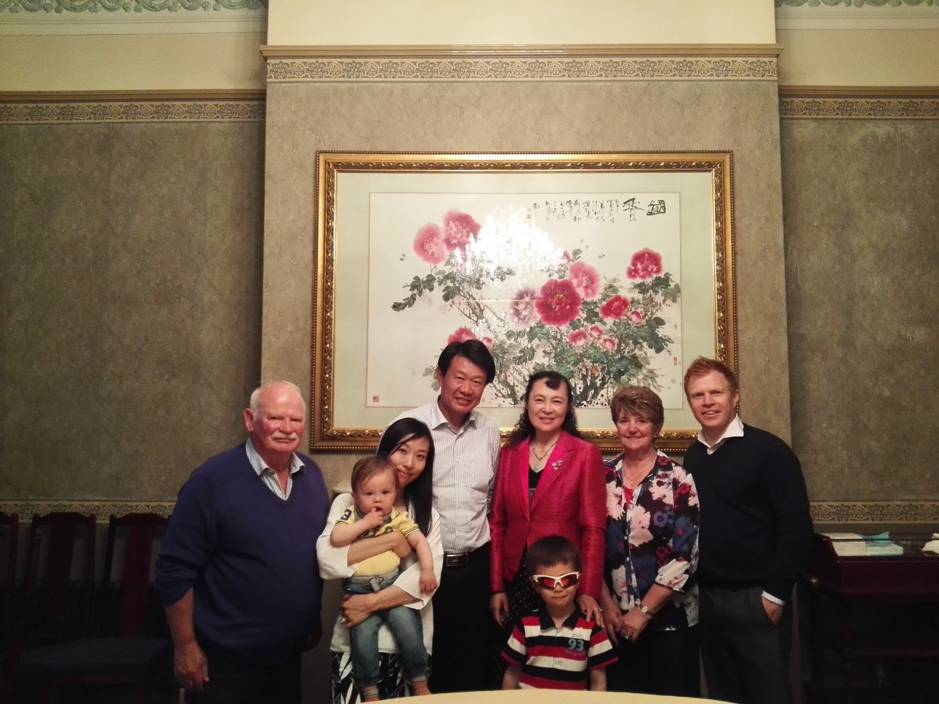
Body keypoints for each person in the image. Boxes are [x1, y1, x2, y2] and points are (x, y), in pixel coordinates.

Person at [156, 381, 329, 704]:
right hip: (226, 663)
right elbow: (174, 569)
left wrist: (313, 614)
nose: (287, 429)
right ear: (250, 420)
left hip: (287, 657)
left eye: (296, 420)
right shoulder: (212, 481)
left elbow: (310, 557)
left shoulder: (312, 477)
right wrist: (186, 647)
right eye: (276, 418)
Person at [682, 357, 813, 704]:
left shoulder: (769, 451)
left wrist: (775, 595)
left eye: (716, 392)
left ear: (735, 397)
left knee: (768, 694)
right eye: (698, 395)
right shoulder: (694, 456)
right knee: (723, 695)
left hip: (757, 598)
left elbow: (796, 525)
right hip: (709, 598)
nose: (707, 402)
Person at [392, 339, 501, 692]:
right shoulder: (409, 427)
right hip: (421, 567)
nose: (466, 389)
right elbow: (384, 496)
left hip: (474, 570)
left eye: (477, 382)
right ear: (440, 376)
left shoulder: (489, 432)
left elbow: (490, 500)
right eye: (459, 377)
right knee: (421, 664)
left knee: (471, 668)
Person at [318, 418, 443, 704]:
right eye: (402, 450)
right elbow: (326, 561)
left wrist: (368, 604)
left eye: (420, 456)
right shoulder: (348, 504)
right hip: (353, 643)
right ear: (385, 450)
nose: (409, 463)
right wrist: (390, 541)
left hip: (409, 651)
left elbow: (426, 581)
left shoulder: (424, 513)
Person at [490, 371, 606, 645]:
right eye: (539, 400)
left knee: (557, 660)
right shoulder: (510, 452)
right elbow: (497, 524)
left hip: (562, 580)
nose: (547, 409)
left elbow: (593, 529)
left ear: (568, 407)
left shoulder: (585, 453)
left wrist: (587, 590)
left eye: (557, 401)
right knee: (515, 658)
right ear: (527, 403)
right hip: (516, 578)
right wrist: (496, 586)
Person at [599, 385, 701, 697]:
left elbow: (686, 555)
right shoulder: (601, 476)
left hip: (670, 622)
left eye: (641, 420)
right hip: (615, 621)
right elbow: (590, 542)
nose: (632, 428)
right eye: (624, 419)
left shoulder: (678, 478)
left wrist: (642, 612)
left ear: (656, 427)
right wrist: (605, 605)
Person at [502, 536, 617, 691]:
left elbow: (598, 682)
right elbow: (511, 674)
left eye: (566, 579)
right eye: (547, 581)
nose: (558, 588)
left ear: (578, 580)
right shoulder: (525, 624)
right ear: (535, 585)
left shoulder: (592, 628)